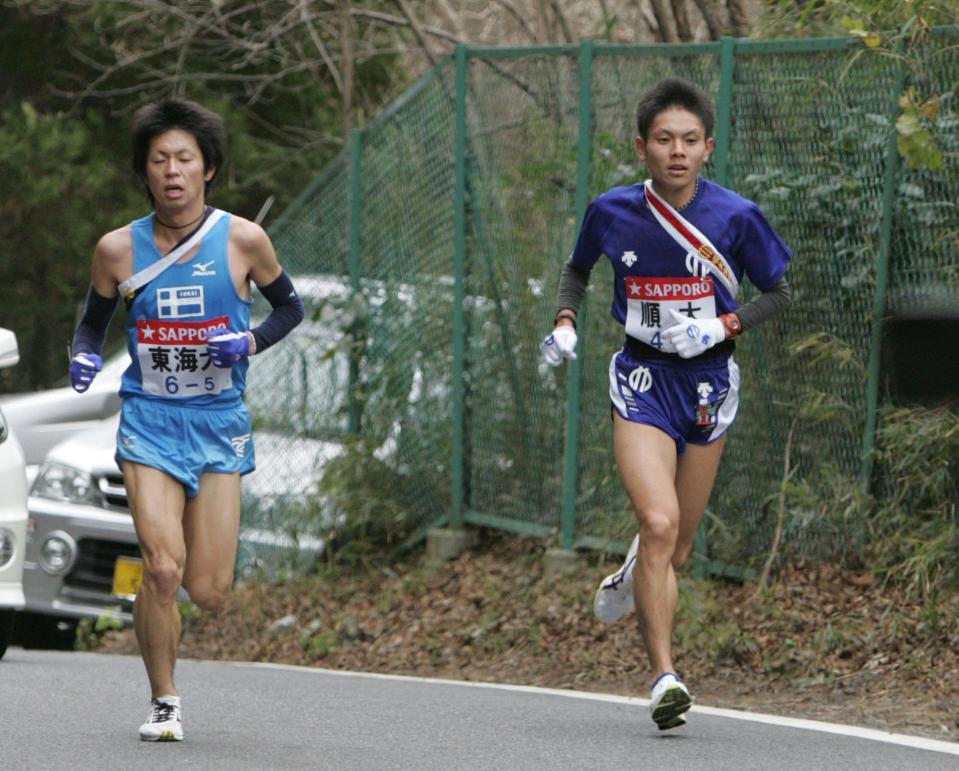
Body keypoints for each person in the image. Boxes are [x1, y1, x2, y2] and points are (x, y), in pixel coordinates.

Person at [541, 78, 792, 731]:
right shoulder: (612, 210)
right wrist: (565, 319)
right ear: (641, 146)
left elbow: (778, 294)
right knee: (657, 522)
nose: (675, 151)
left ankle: (634, 572)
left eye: (688, 140)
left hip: (709, 385)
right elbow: (577, 268)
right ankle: (663, 677)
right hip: (642, 379)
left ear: (707, 147)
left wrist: (723, 326)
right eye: (662, 140)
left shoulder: (735, 216)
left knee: (676, 547)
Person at [69, 98, 304, 742]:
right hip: (149, 418)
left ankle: (167, 627)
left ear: (208, 170)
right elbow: (92, 325)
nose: (172, 171)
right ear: (144, 173)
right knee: (162, 567)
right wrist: (85, 356)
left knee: (209, 589)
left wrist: (250, 342)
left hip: (218, 419)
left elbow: (292, 309)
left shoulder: (243, 239)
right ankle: (164, 701)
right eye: (159, 160)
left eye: (185, 159)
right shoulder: (118, 249)